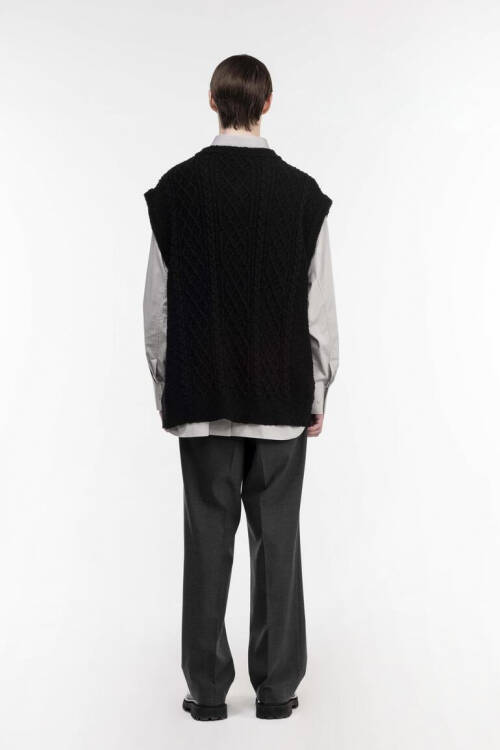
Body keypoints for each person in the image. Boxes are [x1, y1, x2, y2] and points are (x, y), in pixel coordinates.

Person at [143, 54, 339, 721]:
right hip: (281, 398)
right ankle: (277, 689)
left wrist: (168, 385)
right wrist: (318, 390)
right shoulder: (302, 196)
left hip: (201, 399)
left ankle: (205, 691)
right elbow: (319, 309)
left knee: (206, 538)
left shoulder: (176, 191)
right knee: (278, 540)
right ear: (268, 103)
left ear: (212, 101)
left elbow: (157, 310)